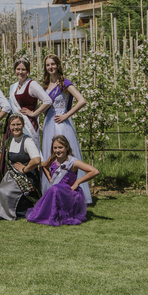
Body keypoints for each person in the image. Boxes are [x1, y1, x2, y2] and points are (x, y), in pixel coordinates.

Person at [40, 54, 91, 204]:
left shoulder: (65, 83)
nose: (51, 67)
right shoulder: (45, 86)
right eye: (48, 65)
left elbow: (82, 100)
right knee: (51, 157)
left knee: (64, 157)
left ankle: (69, 191)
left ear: (58, 65)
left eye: (53, 64)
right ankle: (52, 192)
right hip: (48, 124)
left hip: (61, 125)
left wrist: (66, 115)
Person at [26, 135, 98, 226]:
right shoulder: (53, 159)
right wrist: (49, 178)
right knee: (54, 189)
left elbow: (95, 171)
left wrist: (77, 182)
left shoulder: (73, 162)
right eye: (55, 148)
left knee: (54, 189)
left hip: (69, 193)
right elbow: (44, 166)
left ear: (67, 147)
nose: (57, 150)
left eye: (60, 147)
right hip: (56, 191)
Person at [0, 115, 42, 221]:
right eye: (13, 125)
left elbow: (37, 160)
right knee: (0, 191)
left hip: (27, 177)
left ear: (23, 125)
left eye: (18, 124)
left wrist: (25, 169)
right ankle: (1, 213)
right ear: (9, 126)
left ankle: (11, 213)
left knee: (6, 192)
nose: (16, 127)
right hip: (13, 175)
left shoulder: (27, 141)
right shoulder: (9, 141)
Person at [7, 57, 51, 143]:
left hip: (29, 124)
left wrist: (34, 113)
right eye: (18, 69)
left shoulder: (32, 84)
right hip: (16, 125)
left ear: (28, 71)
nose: (20, 72)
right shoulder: (13, 87)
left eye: (23, 69)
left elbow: (48, 101)